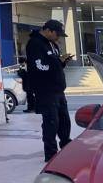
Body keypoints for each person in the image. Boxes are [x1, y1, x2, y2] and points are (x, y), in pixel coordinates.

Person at [25, 20, 75, 162]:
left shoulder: (52, 44)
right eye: (57, 34)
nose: (58, 38)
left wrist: (62, 62)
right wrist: (58, 62)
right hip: (45, 90)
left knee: (64, 121)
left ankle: (65, 146)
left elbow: (55, 64)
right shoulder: (35, 44)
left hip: (58, 90)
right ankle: (51, 154)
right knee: (51, 122)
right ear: (48, 31)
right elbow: (40, 67)